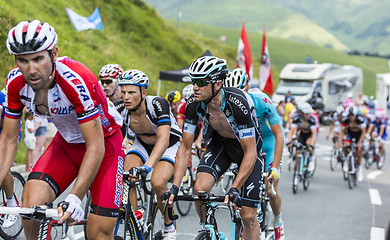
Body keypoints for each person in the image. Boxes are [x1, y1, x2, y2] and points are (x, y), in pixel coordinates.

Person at [0, 20, 124, 239]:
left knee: (98, 233)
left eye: (38, 59)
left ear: (54, 53)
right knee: (29, 209)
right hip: (66, 144)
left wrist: (75, 197)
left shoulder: (77, 79)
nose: (32, 70)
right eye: (23, 60)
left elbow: (95, 146)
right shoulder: (15, 83)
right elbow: (9, 139)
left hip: (105, 145)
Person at [165, 56, 263, 240]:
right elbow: (185, 147)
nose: (195, 87)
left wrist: (234, 187)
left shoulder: (238, 102)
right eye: (194, 81)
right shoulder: (193, 104)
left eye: (201, 82)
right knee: (199, 190)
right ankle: (209, 230)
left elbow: (251, 151)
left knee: (248, 216)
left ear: (217, 84)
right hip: (221, 144)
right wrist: (175, 187)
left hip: (247, 149)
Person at [118, 69, 182, 239]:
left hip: (169, 143)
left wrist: (147, 167)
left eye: (131, 92)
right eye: (123, 92)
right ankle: (135, 220)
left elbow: (163, 140)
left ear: (143, 92)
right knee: (127, 174)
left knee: (157, 181)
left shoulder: (157, 104)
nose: (126, 97)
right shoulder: (121, 109)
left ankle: (169, 227)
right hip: (142, 143)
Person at [224, 68, 285, 240]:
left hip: (268, 143)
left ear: (247, 87)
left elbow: (279, 135)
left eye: (239, 91)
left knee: (270, 188)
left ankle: (278, 221)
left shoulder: (261, 100)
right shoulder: (227, 104)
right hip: (249, 146)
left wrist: (275, 166)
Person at [337, 106, 366, 182]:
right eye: (350, 116)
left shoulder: (360, 120)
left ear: (355, 115)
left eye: (352, 116)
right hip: (350, 134)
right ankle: (347, 161)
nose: (351, 117)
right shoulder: (346, 120)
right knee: (345, 146)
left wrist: (360, 142)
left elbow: (363, 132)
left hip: (359, 135)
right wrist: (339, 142)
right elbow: (342, 131)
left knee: (359, 152)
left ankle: (359, 169)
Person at [287, 102, 317, 173]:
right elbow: (291, 130)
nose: (308, 115)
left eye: (309, 113)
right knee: (298, 152)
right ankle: (297, 173)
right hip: (301, 134)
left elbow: (314, 133)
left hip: (309, 134)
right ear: (302, 113)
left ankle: (312, 158)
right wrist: (289, 140)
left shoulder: (312, 119)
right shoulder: (297, 117)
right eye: (306, 114)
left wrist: (312, 144)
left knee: (308, 144)